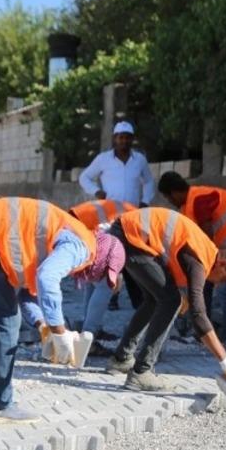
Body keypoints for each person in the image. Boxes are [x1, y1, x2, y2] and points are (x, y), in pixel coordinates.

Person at [0, 197, 121, 424]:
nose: (95, 280)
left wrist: (42, 325)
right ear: (103, 260)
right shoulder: (82, 247)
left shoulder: (71, 234)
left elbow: (26, 292)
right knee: (6, 321)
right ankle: (0, 405)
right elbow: (47, 278)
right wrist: (59, 331)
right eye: (102, 275)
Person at [108, 207, 226, 394]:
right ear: (224, 264)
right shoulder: (200, 260)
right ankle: (141, 373)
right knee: (171, 301)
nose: (217, 285)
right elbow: (198, 315)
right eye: (223, 280)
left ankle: (121, 359)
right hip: (131, 236)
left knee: (157, 299)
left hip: (128, 232)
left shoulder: (206, 250)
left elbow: (170, 257)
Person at [158, 172, 226, 348]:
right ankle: (201, 335)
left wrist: (199, 263)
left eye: (168, 198)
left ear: (174, 192)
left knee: (225, 289)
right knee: (203, 284)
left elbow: (206, 234)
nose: (170, 202)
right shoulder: (188, 206)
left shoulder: (199, 198)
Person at [80, 121, 155, 311]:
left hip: (132, 216)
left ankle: (137, 299)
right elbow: (84, 177)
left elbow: (149, 182)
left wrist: (145, 202)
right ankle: (111, 296)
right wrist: (97, 191)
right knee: (110, 254)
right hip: (108, 216)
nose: (123, 140)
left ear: (131, 139)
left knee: (131, 255)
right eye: (120, 137)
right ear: (115, 139)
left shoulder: (139, 160)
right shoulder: (103, 159)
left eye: (127, 137)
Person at [68, 199, 139, 355]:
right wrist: (117, 273)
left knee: (92, 280)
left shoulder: (127, 209)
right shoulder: (135, 218)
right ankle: (89, 338)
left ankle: (89, 330)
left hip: (80, 229)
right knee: (104, 283)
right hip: (90, 235)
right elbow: (116, 241)